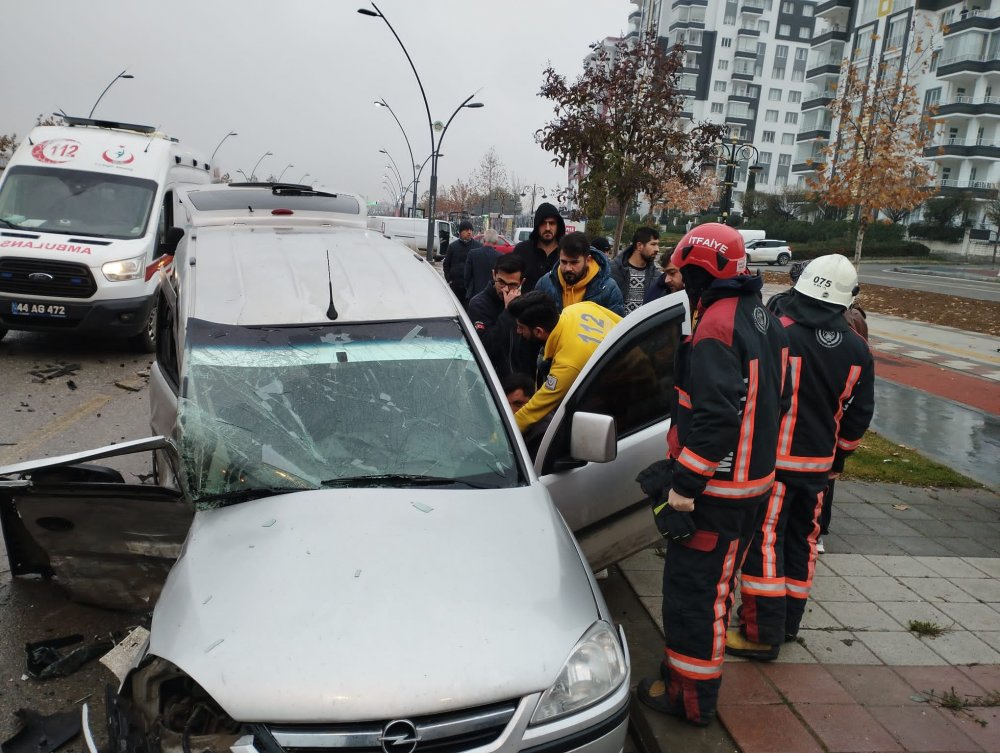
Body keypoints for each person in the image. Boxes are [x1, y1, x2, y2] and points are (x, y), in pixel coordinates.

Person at [636, 223, 789, 727]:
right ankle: (690, 684)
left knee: (693, 598)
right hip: (752, 485)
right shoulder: (761, 316)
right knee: (716, 593)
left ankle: (690, 700)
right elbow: (776, 398)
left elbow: (717, 418)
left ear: (702, 270)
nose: (679, 282)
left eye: (684, 273)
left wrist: (684, 485)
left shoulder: (716, 326)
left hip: (718, 494)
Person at [727, 254, 875, 661]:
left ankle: (760, 633)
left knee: (764, 543)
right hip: (818, 469)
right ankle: (789, 625)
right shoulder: (859, 348)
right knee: (804, 542)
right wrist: (839, 457)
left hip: (772, 464)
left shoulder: (779, 331)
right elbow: (859, 414)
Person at [507, 291, 621, 434]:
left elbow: (533, 411)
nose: (518, 331)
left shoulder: (567, 364)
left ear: (538, 331)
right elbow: (625, 324)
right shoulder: (580, 308)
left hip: (632, 400)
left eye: (521, 327)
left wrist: (499, 437)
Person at [468, 254, 540, 382]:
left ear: (521, 282)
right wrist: (508, 312)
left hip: (523, 380)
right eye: (501, 282)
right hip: (492, 381)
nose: (505, 289)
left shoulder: (527, 303)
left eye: (512, 285)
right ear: (494, 275)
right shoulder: (479, 304)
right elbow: (486, 346)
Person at [535, 231, 625, 316]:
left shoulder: (608, 290)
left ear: (587, 260)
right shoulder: (545, 284)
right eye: (564, 262)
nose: (568, 268)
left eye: (574, 263)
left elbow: (616, 327)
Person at [512, 203, 565, 292]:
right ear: (537, 225)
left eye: (552, 223)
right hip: (526, 304)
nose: (547, 228)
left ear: (558, 225)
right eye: (543, 223)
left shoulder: (566, 252)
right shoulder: (522, 250)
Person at [610, 227, 660, 313]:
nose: (657, 249)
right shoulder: (613, 270)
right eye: (653, 244)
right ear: (639, 245)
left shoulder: (657, 276)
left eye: (657, 244)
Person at [442, 220, 481, 305]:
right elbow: (446, 264)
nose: (469, 232)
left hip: (471, 287)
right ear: (460, 232)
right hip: (456, 285)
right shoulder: (453, 246)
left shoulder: (477, 246)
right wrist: (449, 279)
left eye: (471, 230)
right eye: (466, 230)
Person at [464, 228, 502, 303]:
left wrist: (468, 288)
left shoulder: (472, 254)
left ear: (484, 240)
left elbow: (466, 276)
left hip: (474, 295)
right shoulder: (501, 257)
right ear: (496, 242)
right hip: (493, 297)